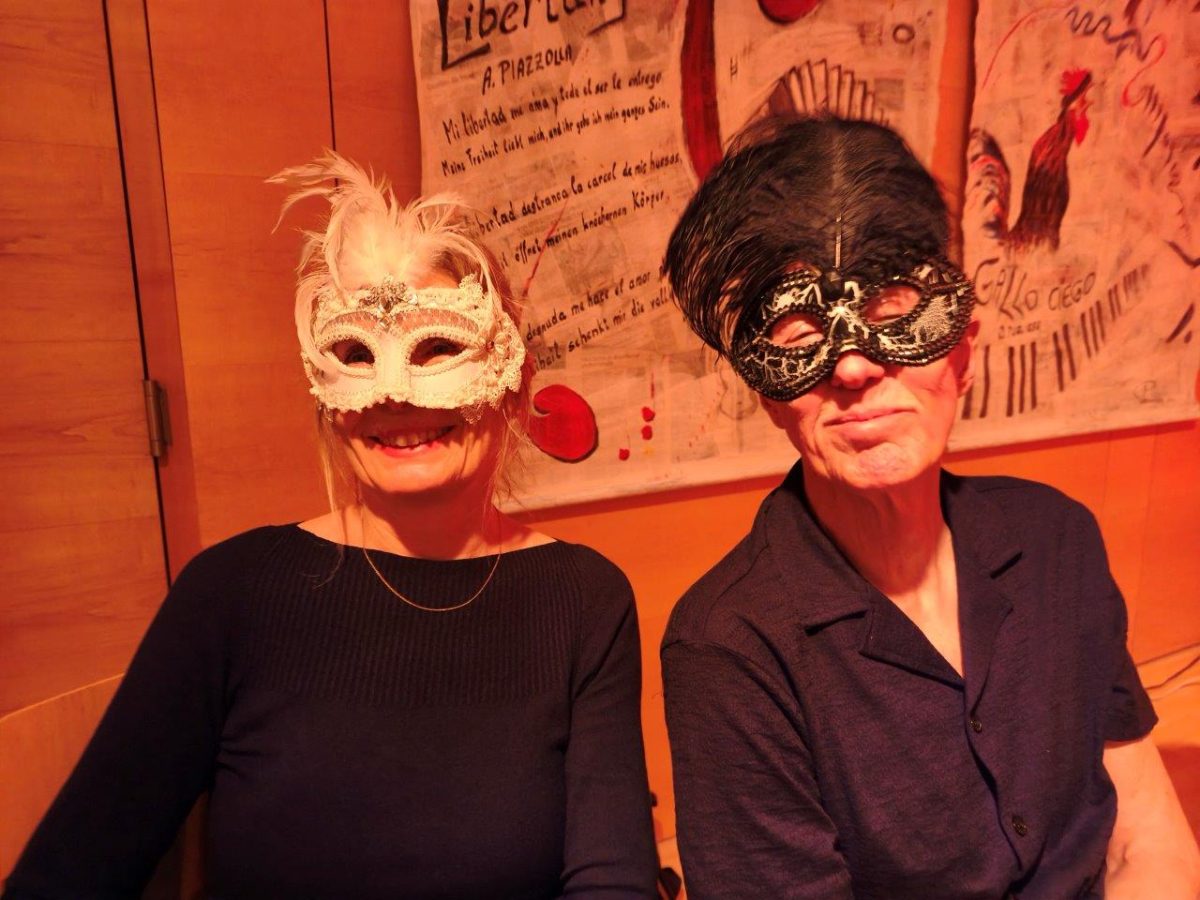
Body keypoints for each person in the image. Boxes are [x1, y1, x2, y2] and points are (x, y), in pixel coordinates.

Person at [5, 154, 658, 898]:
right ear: (324, 391)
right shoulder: (233, 593)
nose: (394, 394)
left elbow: (613, 880)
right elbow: (69, 873)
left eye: (439, 348)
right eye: (355, 355)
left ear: (515, 381)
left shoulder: (583, 599)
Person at [659, 116, 1200, 899]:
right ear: (770, 397)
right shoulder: (730, 648)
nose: (852, 368)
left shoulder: (1058, 540)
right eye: (801, 335)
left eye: (891, 315)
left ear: (963, 350)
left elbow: (1146, 834)